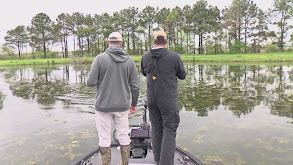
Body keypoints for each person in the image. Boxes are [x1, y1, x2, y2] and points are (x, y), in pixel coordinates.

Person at [87, 32, 139, 165]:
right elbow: (135, 86)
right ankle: (124, 163)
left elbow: (90, 83)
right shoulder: (130, 61)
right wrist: (133, 104)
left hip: (103, 107)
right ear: (121, 43)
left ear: (107, 42)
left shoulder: (99, 59)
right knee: (123, 136)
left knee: (104, 138)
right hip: (122, 107)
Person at [140, 31, 186, 165]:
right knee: (169, 129)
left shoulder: (145, 57)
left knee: (156, 129)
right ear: (166, 42)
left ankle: (157, 160)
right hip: (168, 101)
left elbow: (143, 72)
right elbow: (182, 75)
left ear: (154, 41)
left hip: (152, 100)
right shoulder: (174, 57)